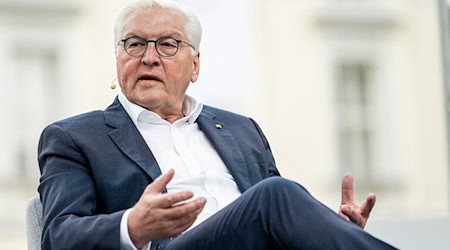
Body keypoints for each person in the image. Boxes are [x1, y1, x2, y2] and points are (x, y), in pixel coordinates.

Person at [37, 0, 397, 249]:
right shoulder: (76, 137)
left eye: (167, 44)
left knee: (276, 197)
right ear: (118, 59)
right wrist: (133, 226)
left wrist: (328, 232)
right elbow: (57, 236)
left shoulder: (242, 130)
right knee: (276, 194)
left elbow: (274, 220)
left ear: (195, 65)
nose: (149, 57)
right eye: (134, 44)